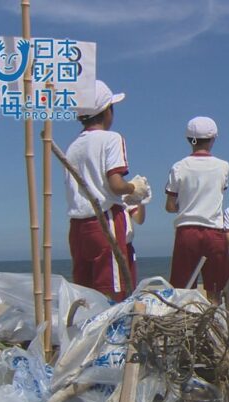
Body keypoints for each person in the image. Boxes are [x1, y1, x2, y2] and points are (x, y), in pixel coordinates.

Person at [66, 80, 149, 301]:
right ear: (106, 111)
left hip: (77, 226)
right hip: (105, 220)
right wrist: (134, 188)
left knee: (86, 292)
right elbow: (115, 183)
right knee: (113, 291)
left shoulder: (73, 147)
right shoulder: (112, 139)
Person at [164, 116, 229, 302]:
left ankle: (186, 325)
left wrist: (184, 204)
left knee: (183, 290)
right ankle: (215, 324)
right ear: (213, 139)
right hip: (215, 231)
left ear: (189, 140)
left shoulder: (178, 167)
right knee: (215, 289)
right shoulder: (223, 166)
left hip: (187, 231)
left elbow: (170, 206)